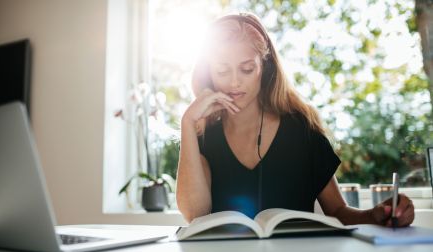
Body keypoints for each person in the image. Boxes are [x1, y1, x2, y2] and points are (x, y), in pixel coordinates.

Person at [175, 12, 414, 227]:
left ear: (264, 67)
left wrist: (376, 215)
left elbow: (338, 211)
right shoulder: (204, 137)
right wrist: (187, 123)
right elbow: (195, 215)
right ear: (209, 72)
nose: (234, 82)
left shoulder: (301, 128)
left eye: (247, 69)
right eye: (223, 71)